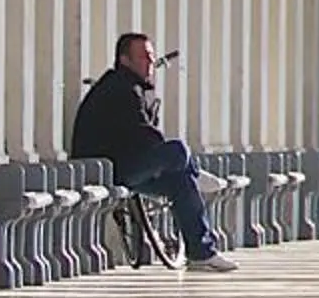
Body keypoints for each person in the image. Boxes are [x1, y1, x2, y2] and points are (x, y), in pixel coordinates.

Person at [68, 31, 235, 271]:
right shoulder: (120, 88)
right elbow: (142, 133)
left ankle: (201, 253)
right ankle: (195, 173)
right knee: (177, 150)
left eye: (151, 56)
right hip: (111, 169)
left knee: (181, 181)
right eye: (144, 57)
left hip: (123, 165)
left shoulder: (133, 87)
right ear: (125, 60)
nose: (150, 62)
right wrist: (167, 155)